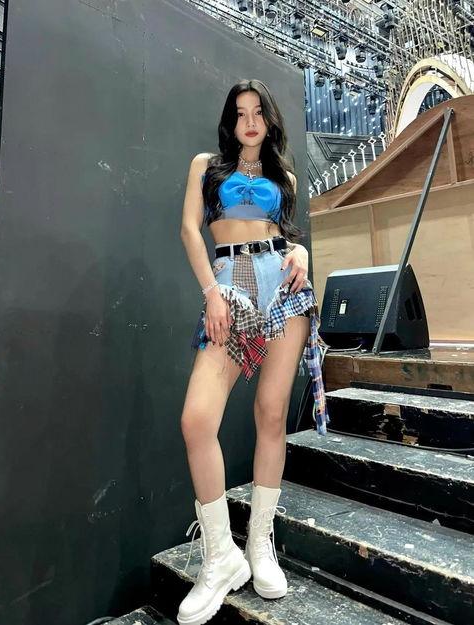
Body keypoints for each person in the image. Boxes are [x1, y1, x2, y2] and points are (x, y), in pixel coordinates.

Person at [177, 78, 329, 625]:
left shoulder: (284, 176)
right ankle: (221, 556)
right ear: (230, 120)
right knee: (198, 420)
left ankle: (260, 544)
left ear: (269, 119)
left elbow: (285, 235)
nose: (249, 121)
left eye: (257, 112)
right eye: (240, 112)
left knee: (271, 414)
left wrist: (302, 252)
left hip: (284, 289)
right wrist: (210, 292)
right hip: (231, 285)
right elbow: (190, 230)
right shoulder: (206, 166)